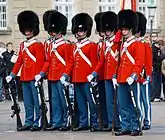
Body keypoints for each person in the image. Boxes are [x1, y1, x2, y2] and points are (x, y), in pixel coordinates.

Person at [5, 10, 45, 131]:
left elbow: (39, 62)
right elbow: (19, 62)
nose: (27, 32)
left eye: (29, 29)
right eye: (25, 30)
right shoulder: (23, 45)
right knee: (27, 102)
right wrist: (12, 75)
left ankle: (37, 121)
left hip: (34, 77)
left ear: (33, 30)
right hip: (24, 77)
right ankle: (29, 121)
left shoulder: (38, 45)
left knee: (36, 101)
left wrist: (38, 76)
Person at [35, 11, 73, 131]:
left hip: (61, 77)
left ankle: (65, 121)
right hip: (52, 76)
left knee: (63, 101)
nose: (53, 33)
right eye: (52, 31)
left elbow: (70, 61)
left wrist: (65, 75)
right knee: (55, 101)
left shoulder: (66, 44)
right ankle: (56, 122)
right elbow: (48, 61)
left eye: (55, 31)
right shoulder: (51, 45)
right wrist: (41, 73)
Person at [114, 9, 145, 136]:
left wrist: (133, 76)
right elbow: (119, 62)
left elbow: (139, 62)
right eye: (123, 29)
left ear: (131, 29)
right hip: (121, 78)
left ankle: (135, 126)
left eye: (126, 29)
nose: (124, 31)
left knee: (134, 104)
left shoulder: (137, 44)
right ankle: (125, 125)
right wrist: (115, 75)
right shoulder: (122, 44)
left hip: (131, 78)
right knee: (123, 104)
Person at [89, 11, 121, 131]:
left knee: (116, 101)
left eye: (109, 29)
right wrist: (94, 73)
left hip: (115, 75)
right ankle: (111, 122)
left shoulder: (118, 42)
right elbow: (101, 60)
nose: (107, 31)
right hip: (107, 75)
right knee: (108, 101)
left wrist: (115, 74)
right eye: (105, 29)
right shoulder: (104, 43)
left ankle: (117, 123)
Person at [71, 13, 99, 132]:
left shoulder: (91, 46)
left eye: (82, 31)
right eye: (78, 31)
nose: (80, 33)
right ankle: (83, 123)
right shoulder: (75, 46)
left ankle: (94, 123)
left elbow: (94, 62)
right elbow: (72, 62)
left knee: (91, 102)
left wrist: (93, 76)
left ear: (86, 32)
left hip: (87, 78)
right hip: (77, 78)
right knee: (81, 103)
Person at [136, 12, 152, 130]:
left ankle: (147, 120)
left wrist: (148, 74)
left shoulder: (144, 44)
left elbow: (148, 61)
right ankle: (140, 118)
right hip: (135, 76)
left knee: (145, 100)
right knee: (137, 100)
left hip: (143, 75)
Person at [42, 9, 55, 127]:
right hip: (48, 75)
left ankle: (58, 120)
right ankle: (52, 120)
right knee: (50, 100)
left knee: (57, 100)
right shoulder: (47, 43)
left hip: (57, 74)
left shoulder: (62, 43)